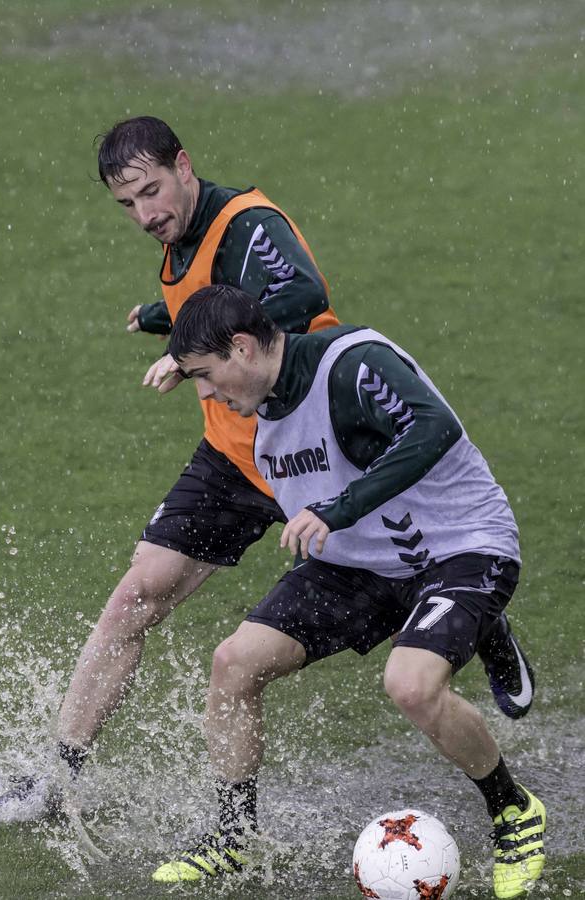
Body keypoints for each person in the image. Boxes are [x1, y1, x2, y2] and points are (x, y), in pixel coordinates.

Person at [0, 117, 532, 822]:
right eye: (127, 205)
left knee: (399, 555)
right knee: (135, 597)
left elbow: (296, 295)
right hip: (238, 452)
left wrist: (185, 349)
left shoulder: (244, 222)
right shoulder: (178, 244)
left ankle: (475, 616)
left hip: (313, 433)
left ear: (184, 165)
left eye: (151, 192)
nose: (146, 215)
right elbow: (211, 298)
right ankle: (58, 776)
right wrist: (161, 313)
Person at [152, 286, 545, 900]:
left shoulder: (352, 362)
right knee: (233, 664)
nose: (205, 394)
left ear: (243, 348)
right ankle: (234, 838)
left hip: (461, 547)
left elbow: (434, 427)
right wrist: (165, 326)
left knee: (411, 685)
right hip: (363, 561)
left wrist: (340, 508)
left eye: (207, 375)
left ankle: (513, 810)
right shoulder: (258, 406)